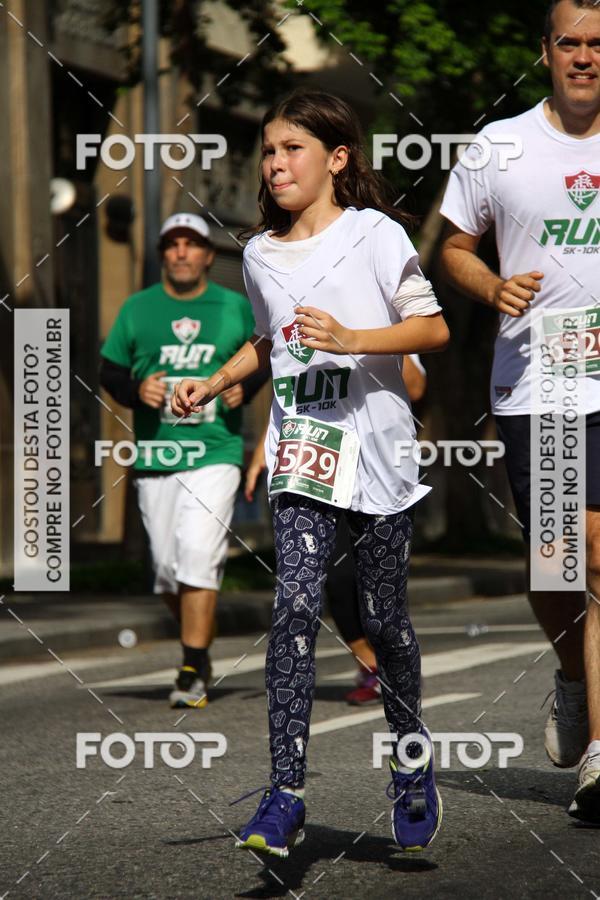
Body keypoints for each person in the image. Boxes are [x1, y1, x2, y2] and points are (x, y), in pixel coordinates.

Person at [172, 90, 449, 856]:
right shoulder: (259, 251)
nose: (275, 163)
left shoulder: (375, 234)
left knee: (385, 624)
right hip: (305, 456)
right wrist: (221, 379)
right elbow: (267, 342)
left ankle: (412, 762)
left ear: (336, 159)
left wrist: (355, 336)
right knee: (292, 608)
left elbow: (434, 325)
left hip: (381, 458)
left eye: (291, 148)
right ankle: (285, 793)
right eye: (267, 151)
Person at [440, 0, 600, 822]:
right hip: (542, 381)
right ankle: (573, 675)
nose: (584, 56)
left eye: (598, 44)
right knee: (555, 561)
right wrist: (493, 286)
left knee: (598, 554)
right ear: (545, 52)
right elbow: (453, 249)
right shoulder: (499, 143)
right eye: (569, 43)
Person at [100, 212, 265, 709]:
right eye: (172, 245)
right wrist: (136, 388)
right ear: (162, 256)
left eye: (191, 244)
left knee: (197, 552)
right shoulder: (138, 308)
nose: (181, 253)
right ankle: (201, 649)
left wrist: (243, 387)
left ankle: (191, 667)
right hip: (157, 455)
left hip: (215, 452)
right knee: (169, 572)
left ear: (208, 256)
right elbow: (109, 370)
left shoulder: (236, 306)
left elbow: (269, 354)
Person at [245, 354, 427, 707]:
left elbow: (417, 385)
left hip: (375, 465)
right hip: (314, 453)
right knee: (332, 576)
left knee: (382, 603)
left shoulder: (378, 304)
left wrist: (359, 339)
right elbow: (287, 380)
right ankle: (369, 664)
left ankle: (396, 674)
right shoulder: (296, 308)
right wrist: (265, 449)